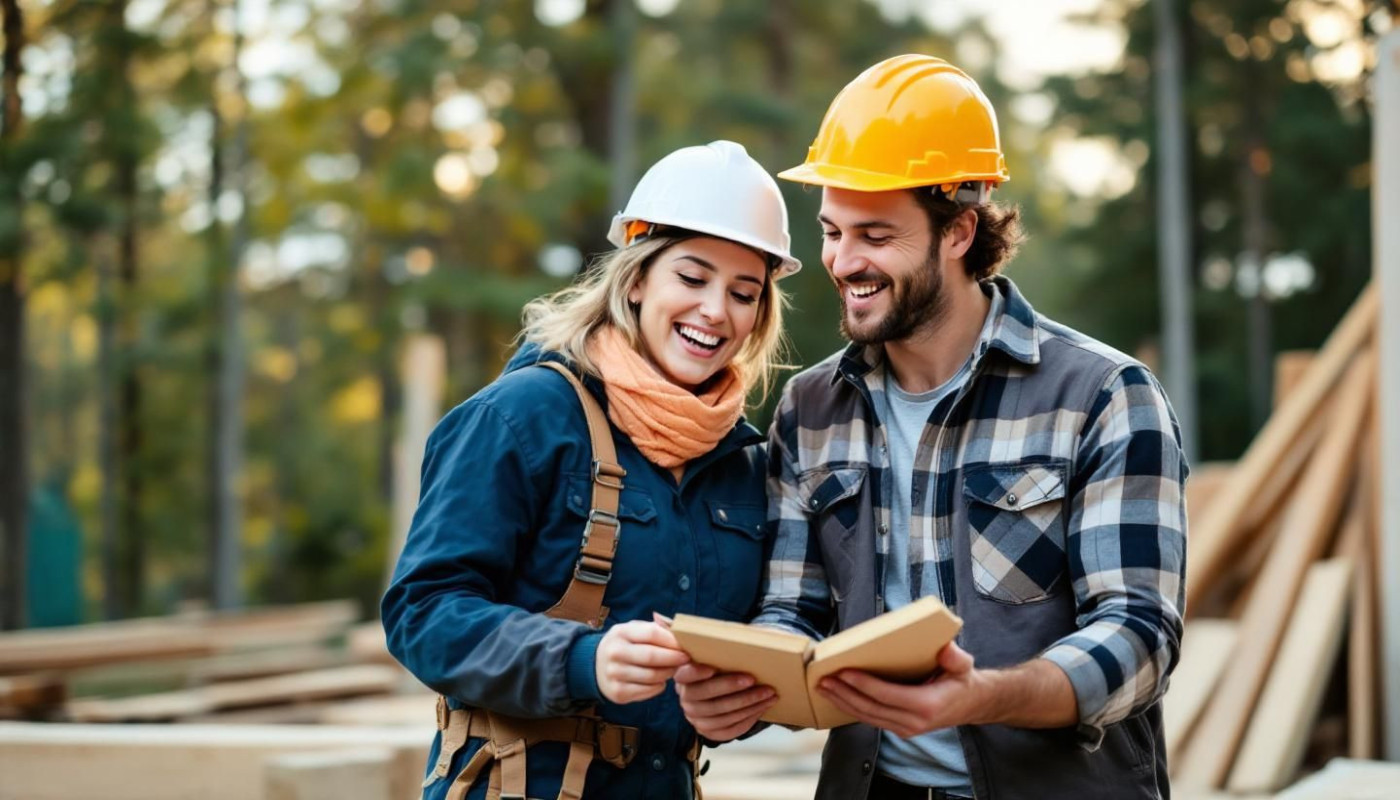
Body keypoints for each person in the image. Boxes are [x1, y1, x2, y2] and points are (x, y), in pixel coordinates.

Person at [675, 55, 1188, 800]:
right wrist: (749, 690)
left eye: (875, 235)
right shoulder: (810, 408)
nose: (842, 261)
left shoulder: (1104, 396)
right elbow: (794, 610)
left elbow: (1139, 635)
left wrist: (984, 696)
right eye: (831, 231)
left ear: (958, 232)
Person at [382, 140, 800, 800]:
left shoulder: (743, 464)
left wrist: (740, 708)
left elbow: (752, 648)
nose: (717, 310)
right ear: (636, 279)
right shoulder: (522, 417)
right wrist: (581, 660)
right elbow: (423, 613)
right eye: (692, 279)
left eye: (743, 293)